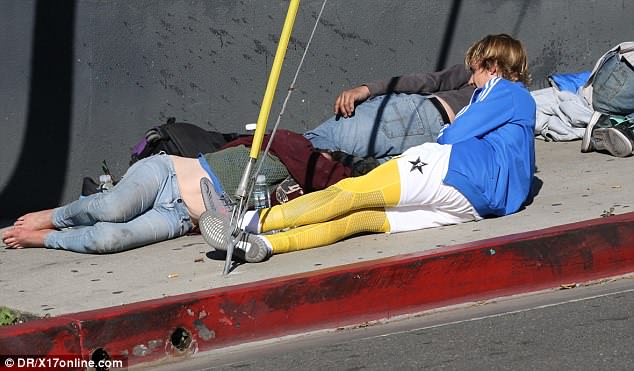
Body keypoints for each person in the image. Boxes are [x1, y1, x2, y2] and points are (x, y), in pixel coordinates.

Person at [200, 34, 537, 263]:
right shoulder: (526, 110)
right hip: (478, 206)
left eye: (476, 70)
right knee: (363, 220)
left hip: (452, 169)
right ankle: (265, 245)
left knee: (351, 192)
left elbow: (454, 136)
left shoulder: (501, 90)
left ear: (492, 68)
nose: (472, 78)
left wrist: (447, 135)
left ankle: (246, 221)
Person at [1, 131, 355, 253]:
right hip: (168, 171)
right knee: (112, 206)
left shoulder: (300, 196)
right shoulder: (286, 144)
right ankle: (54, 216)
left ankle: (46, 239)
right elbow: (312, 159)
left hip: (179, 216)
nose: (317, 165)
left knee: (107, 240)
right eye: (321, 158)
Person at [303, 63, 475, 163]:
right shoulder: (497, 104)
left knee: (314, 144)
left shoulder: (480, 73)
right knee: (340, 172)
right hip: (437, 149)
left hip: (421, 115)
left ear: (493, 67)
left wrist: (368, 89)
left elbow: (429, 81)